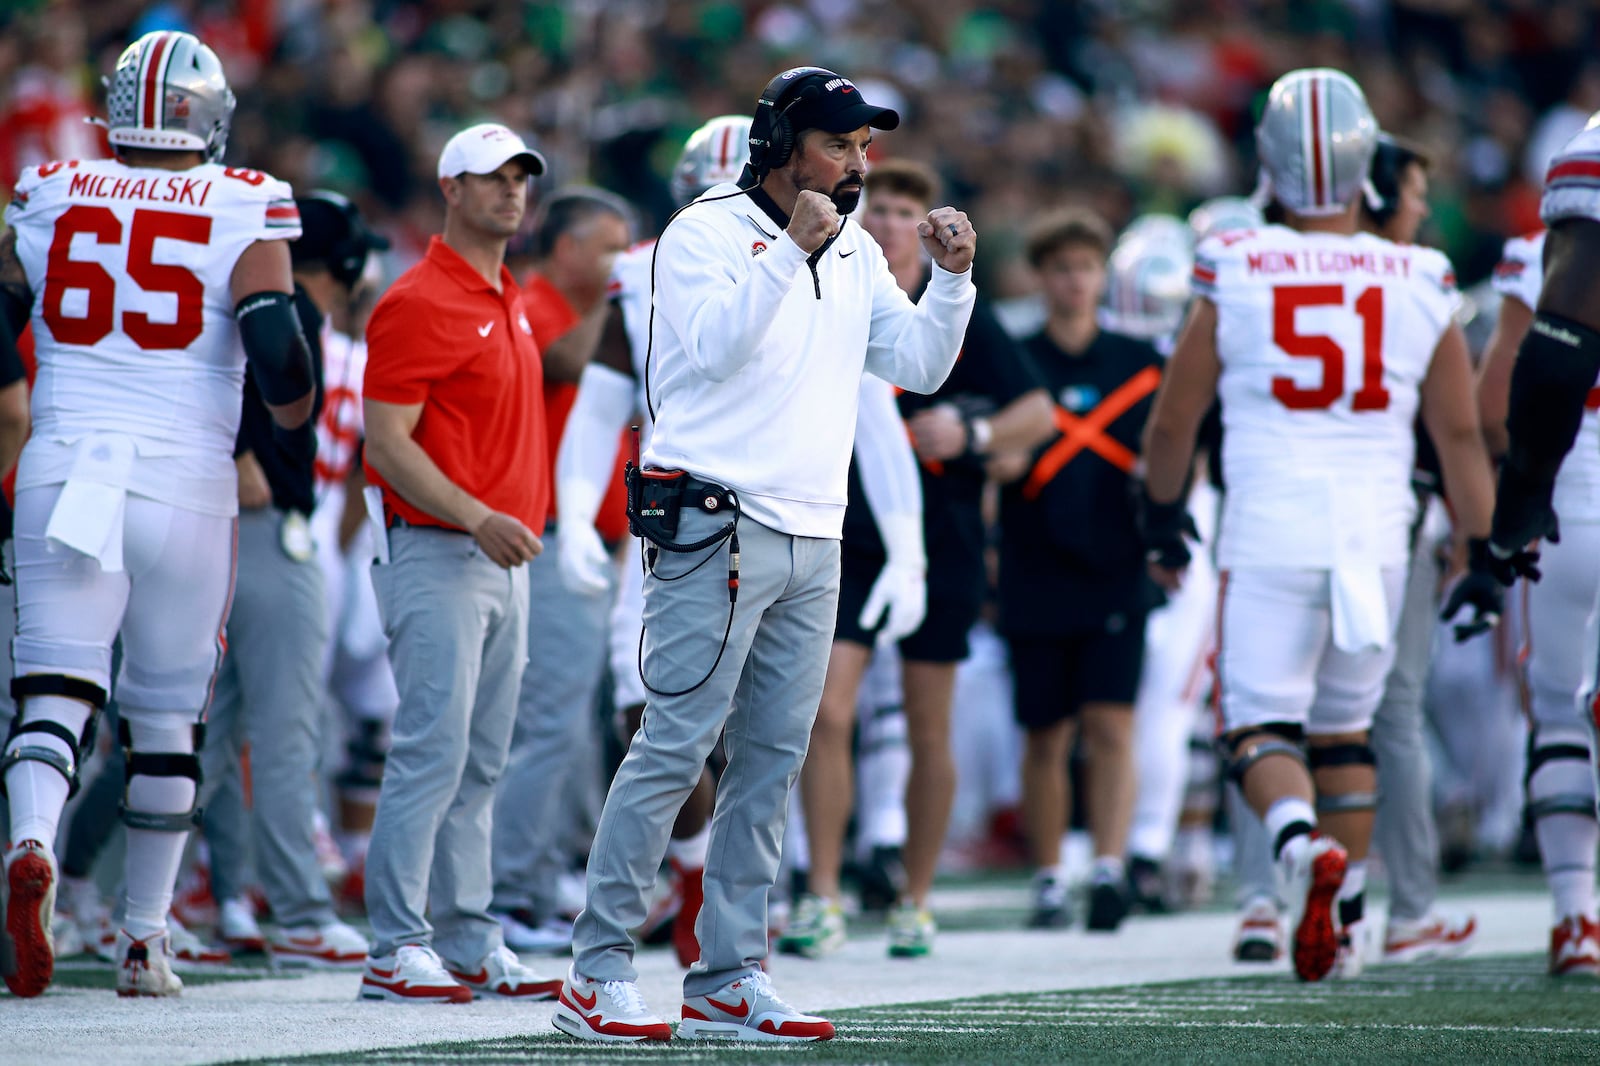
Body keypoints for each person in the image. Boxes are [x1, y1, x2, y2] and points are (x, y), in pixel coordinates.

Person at [552, 66, 975, 1044]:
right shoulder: (701, 232)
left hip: (814, 529)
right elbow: (706, 354)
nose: (857, 162)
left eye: (866, 145)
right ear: (781, 144)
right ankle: (597, 966)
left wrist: (947, 282)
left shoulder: (860, 248)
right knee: (672, 745)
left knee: (772, 759)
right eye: (841, 143)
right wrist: (791, 249)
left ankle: (729, 971)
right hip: (711, 519)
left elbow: (913, 365)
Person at [1139, 68, 1501, 983]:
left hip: (1269, 526)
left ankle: (1299, 849)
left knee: (1256, 728)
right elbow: (1457, 432)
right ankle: (1340, 923)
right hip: (1377, 535)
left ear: (1266, 162)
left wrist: (1160, 511)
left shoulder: (1236, 259)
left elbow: (1176, 418)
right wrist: (1489, 547)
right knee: (1347, 733)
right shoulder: (1424, 271)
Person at [0, 30, 315, 998]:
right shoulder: (245, 200)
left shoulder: (51, 186)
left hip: (63, 463)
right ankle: (143, 939)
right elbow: (278, 347)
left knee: (53, 692)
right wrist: (292, 421)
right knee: (169, 716)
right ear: (205, 114)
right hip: (182, 478)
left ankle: (29, 839)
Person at [784, 157, 1051, 959]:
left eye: (907, 210)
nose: (893, 222)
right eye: (883, 209)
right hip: (846, 530)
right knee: (827, 713)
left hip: (945, 536)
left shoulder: (953, 305)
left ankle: (916, 896)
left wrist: (973, 436)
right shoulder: (838, 286)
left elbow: (1034, 415)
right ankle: (823, 891)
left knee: (929, 724)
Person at [357, 122, 561, 1004]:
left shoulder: (503, 291)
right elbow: (385, 445)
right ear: (450, 187)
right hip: (443, 551)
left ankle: (470, 937)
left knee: (480, 761)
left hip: (498, 555)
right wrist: (479, 516)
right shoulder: (418, 298)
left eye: (521, 176)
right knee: (431, 754)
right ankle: (394, 946)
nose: (511, 191)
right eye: (491, 177)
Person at [195, 192, 386, 968]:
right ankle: (299, 908)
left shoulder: (246, 301)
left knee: (210, 724)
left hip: (218, 530)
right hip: (273, 531)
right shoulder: (293, 309)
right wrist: (242, 456)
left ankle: (211, 894)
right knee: (284, 728)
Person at [995, 207, 1162, 934]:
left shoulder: (1140, 363)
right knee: (1044, 733)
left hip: (1118, 567)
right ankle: (1049, 875)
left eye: (1086, 269)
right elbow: (994, 463)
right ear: (1041, 278)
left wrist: (1170, 540)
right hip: (1034, 566)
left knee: (1113, 724)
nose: (1073, 282)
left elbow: (1170, 463)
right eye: (1060, 269)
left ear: (1103, 277)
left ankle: (1110, 868)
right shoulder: (1015, 357)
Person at [490, 187, 634, 956]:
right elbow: (561, 360)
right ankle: (508, 889)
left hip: (592, 544)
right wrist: (627, 298)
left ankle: (536, 879)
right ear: (567, 246)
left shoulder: (578, 306)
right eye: (608, 244)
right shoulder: (539, 301)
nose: (620, 257)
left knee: (574, 727)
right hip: (545, 539)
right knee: (547, 725)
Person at [1479, 113, 1600, 975]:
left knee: (1558, 705)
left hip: (1574, 485)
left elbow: (1511, 390)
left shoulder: (1538, 253)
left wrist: (1517, 495)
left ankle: (1574, 919)